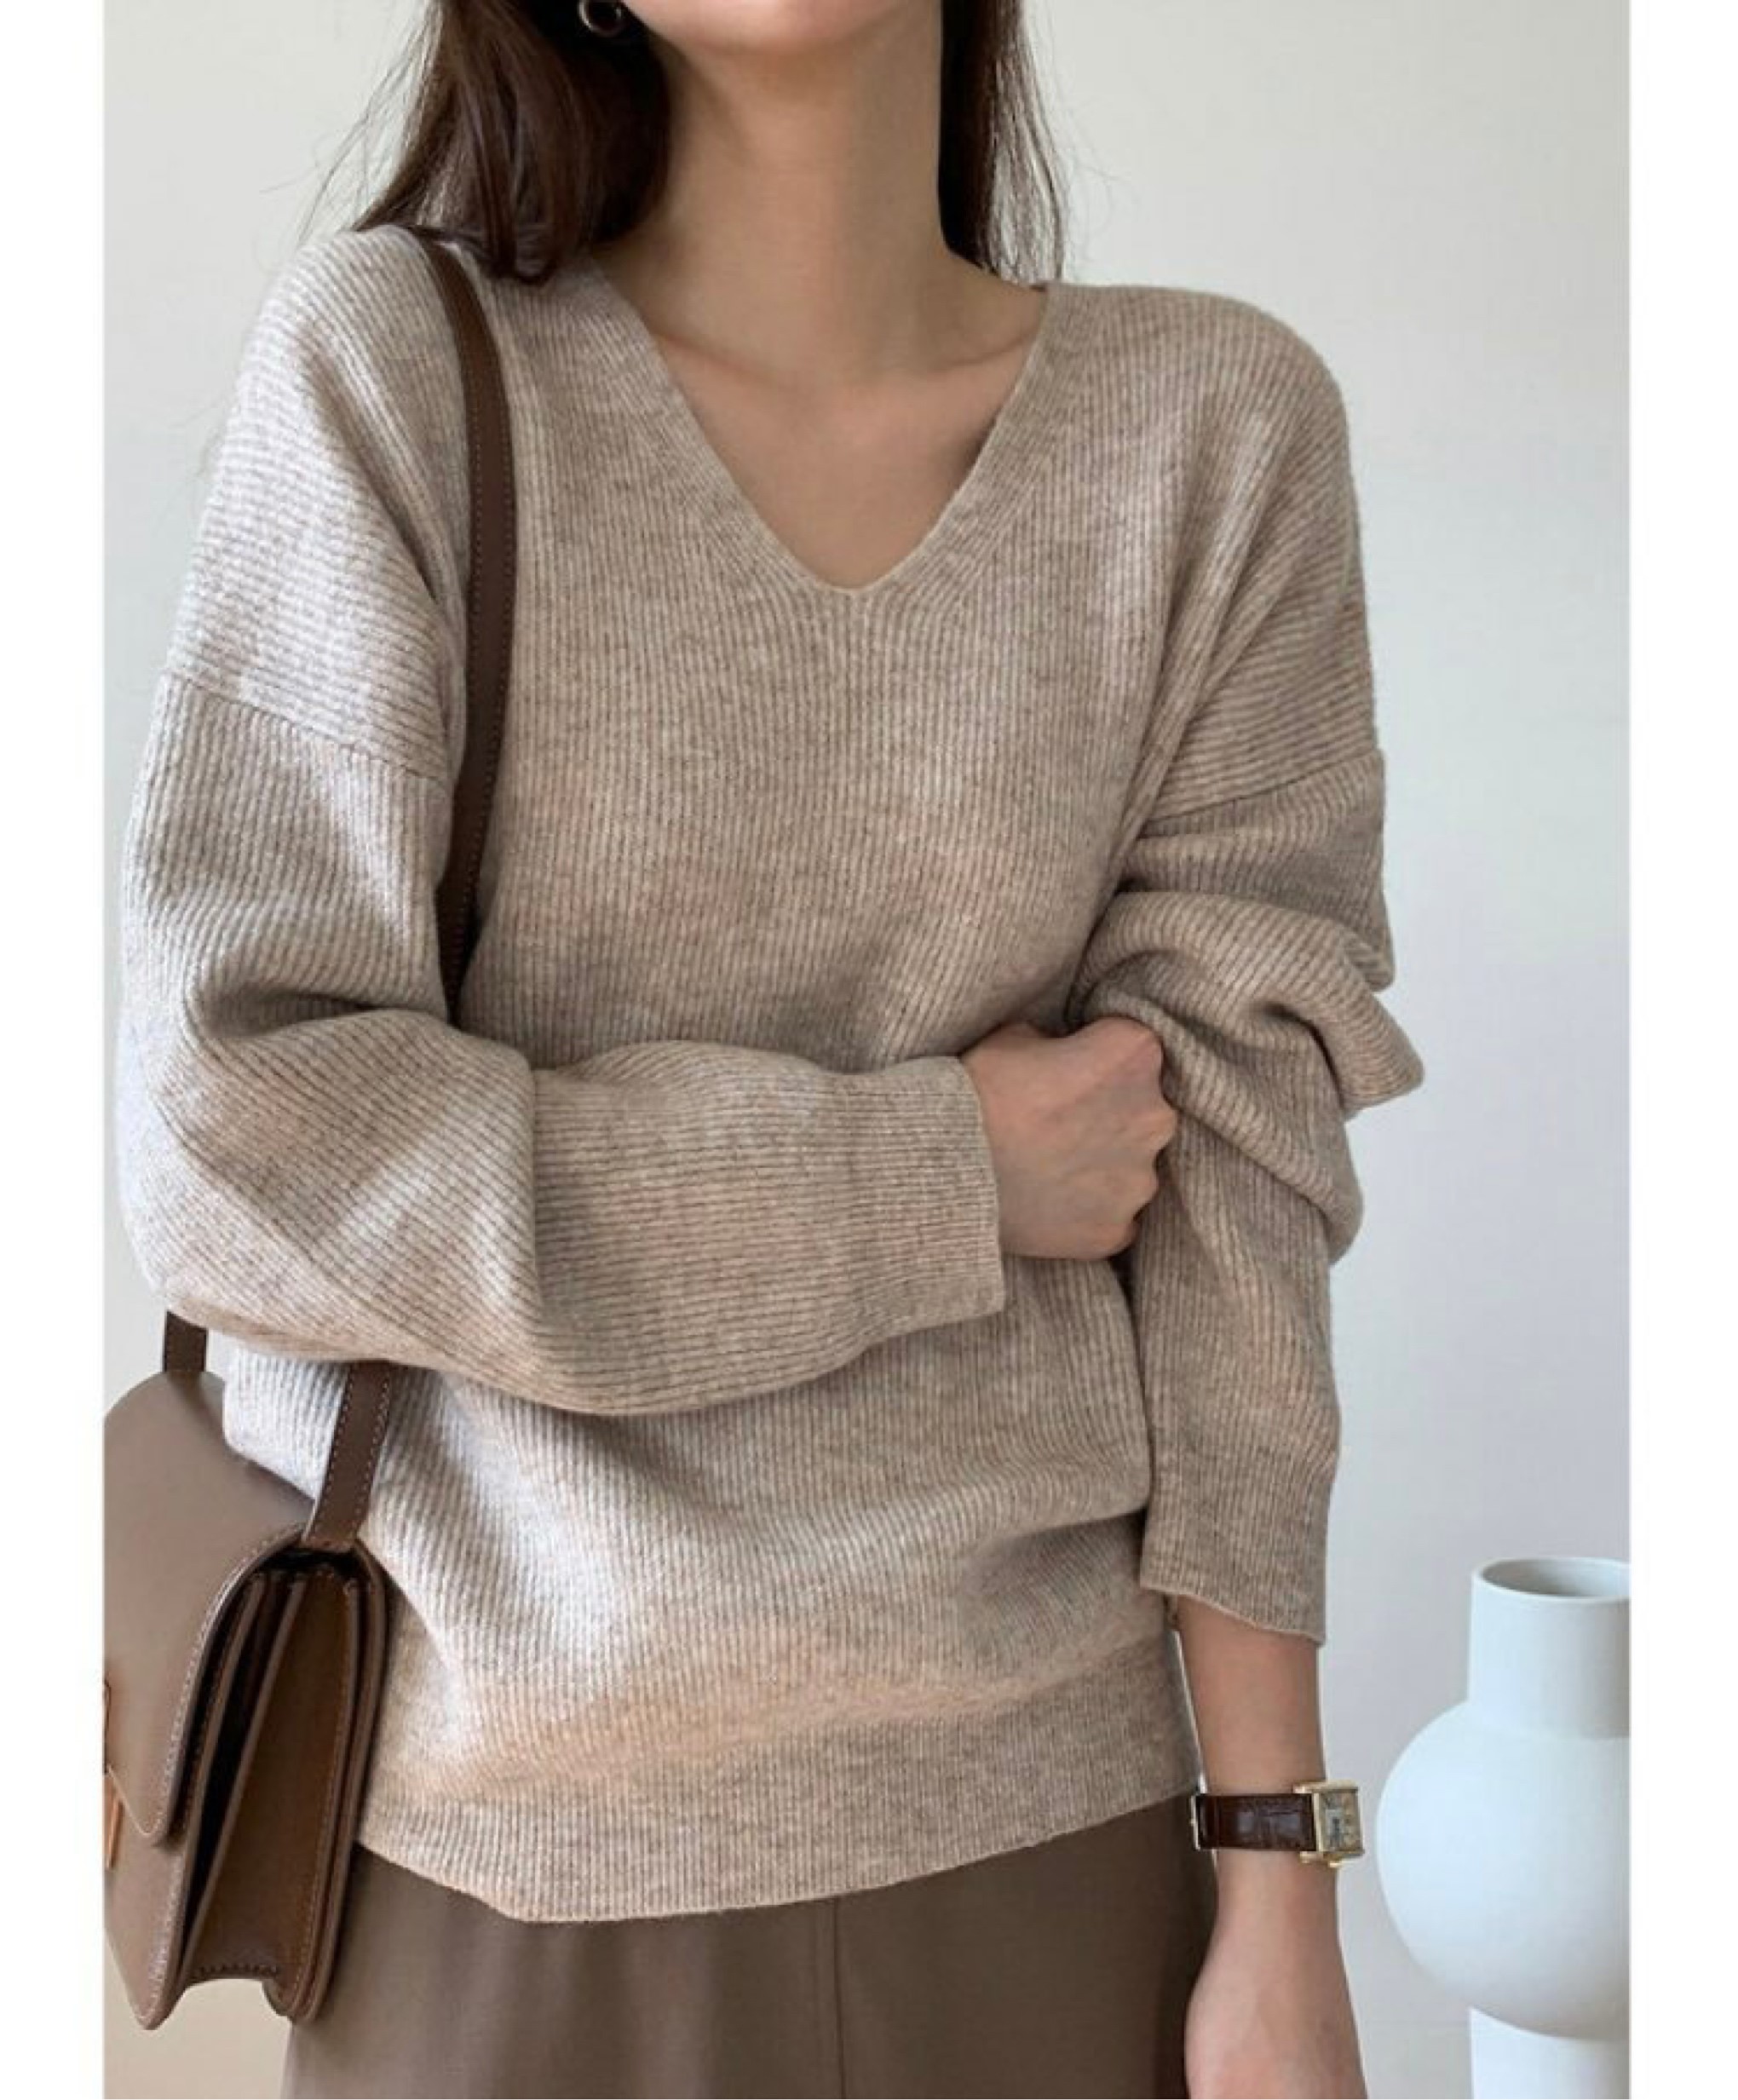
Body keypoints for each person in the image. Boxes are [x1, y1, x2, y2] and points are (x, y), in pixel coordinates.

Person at [113, 2, 1425, 2094]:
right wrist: (936, 1175)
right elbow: (241, 1143)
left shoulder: (1213, 434)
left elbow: (1238, 1216)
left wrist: (1281, 1873)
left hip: (1057, 1846)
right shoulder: (397, 372)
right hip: (501, 1884)